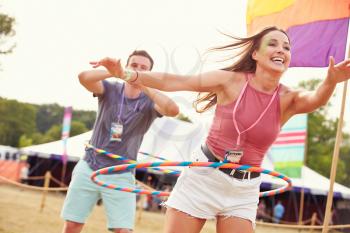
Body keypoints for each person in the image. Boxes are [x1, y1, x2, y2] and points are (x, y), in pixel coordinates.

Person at [90, 27, 350, 233]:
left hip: (244, 189)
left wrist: (330, 81)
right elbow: (177, 81)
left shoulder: (288, 99)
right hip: (204, 177)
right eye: (273, 43)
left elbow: (317, 99)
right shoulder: (230, 81)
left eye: (287, 46)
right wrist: (127, 74)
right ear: (255, 54)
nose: (281, 49)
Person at [60, 50, 179, 233]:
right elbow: (84, 77)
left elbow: (173, 109)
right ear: (127, 66)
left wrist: (142, 83)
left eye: (143, 68)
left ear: (149, 73)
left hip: (121, 172)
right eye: (134, 65)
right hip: (89, 165)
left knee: (123, 230)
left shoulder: (149, 100)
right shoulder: (110, 89)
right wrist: (114, 71)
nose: (137, 69)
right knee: (72, 225)